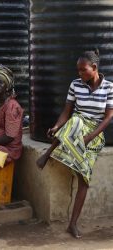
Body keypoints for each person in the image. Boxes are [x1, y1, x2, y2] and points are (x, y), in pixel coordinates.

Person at [36, 49, 113, 239]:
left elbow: (109, 117)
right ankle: (48, 153)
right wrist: (55, 126)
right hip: (75, 126)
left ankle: (73, 224)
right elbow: (67, 111)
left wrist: (89, 137)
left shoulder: (109, 87)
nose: (79, 74)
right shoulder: (75, 85)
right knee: (75, 120)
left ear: (94, 68)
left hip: (95, 132)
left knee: (84, 176)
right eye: (78, 70)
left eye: (82, 70)